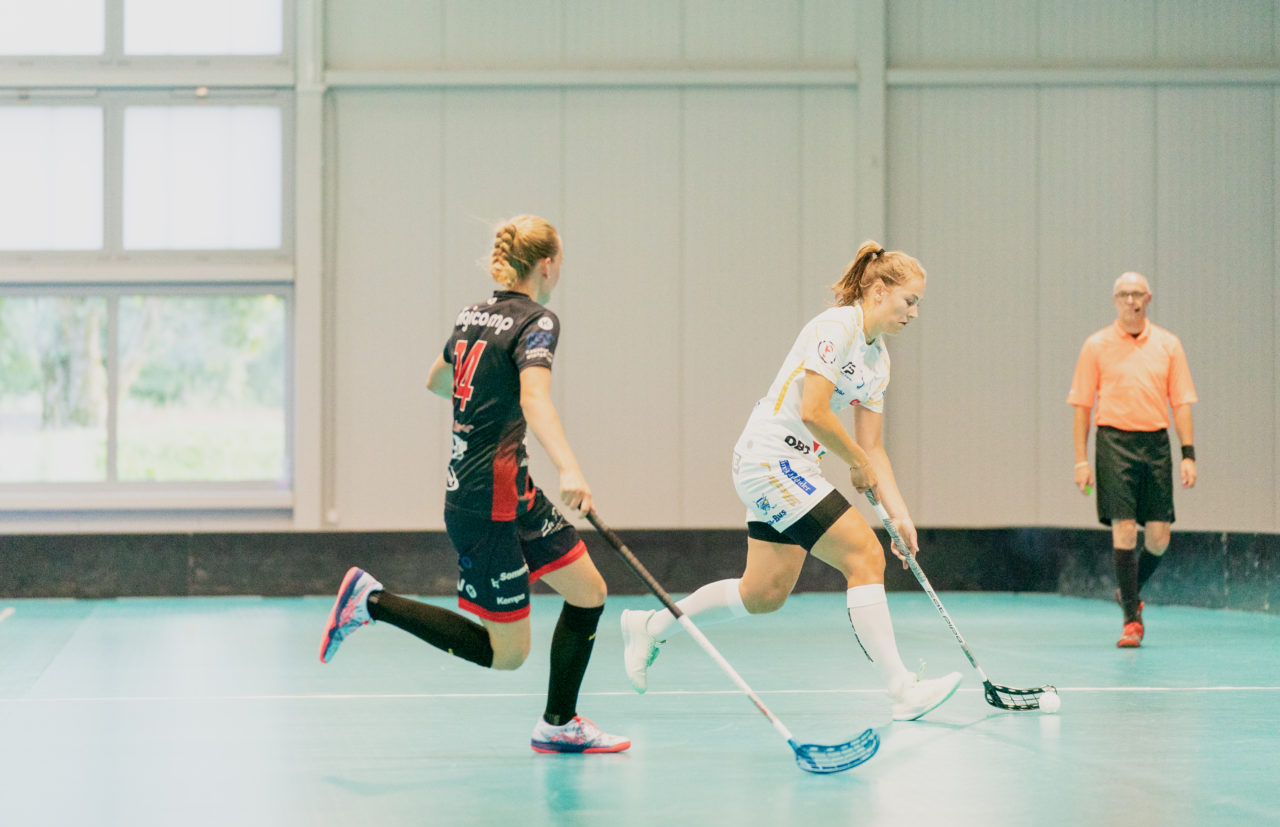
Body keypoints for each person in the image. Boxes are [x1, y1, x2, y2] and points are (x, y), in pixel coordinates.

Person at [319, 215, 629, 754]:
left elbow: (437, 380)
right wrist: (570, 468)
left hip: (513, 488)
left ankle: (559, 724)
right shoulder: (538, 321)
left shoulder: (471, 316)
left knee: (589, 592)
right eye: (560, 262)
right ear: (547, 265)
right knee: (506, 654)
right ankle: (372, 601)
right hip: (486, 503)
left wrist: (487, 410)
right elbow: (534, 397)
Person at [620, 242, 962, 722]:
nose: (915, 312)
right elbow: (814, 412)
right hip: (769, 460)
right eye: (910, 300)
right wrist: (855, 461)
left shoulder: (878, 361)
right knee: (865, 555)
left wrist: (899, 513)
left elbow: (873, 448)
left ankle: (651, 627)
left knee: (763, 593)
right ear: (879, 291)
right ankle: (901, 689)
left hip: (795, 467)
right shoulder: (835, 328)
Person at [1068, 271, 1197, 648]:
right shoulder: (1096, 345)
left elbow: (1181, 403)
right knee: (1123, 527)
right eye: (1124, 294)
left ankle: (1129, 590)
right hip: (1113, 442)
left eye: (1137, 294)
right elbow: (1082, 406)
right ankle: (1131, 621)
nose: (1130, 301)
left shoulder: (1169, 345)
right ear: (1115, 300)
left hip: (1155, 444)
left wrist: (1188, 455)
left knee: (1158, 537)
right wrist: (1080, 461)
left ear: (1148, 298)